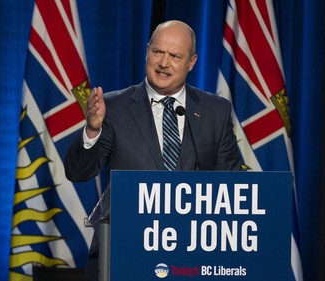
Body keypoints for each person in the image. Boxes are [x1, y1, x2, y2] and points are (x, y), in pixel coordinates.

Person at [64, 20, 242, 281]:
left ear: (191, 62)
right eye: (158, 52)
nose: (164, 63)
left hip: (193, 258)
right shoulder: (114, 107)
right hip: (125, 253)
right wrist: (92, 130)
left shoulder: (216, 111)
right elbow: (78, 172)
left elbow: (231, 184)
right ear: (147, 51)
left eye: (175, 56)